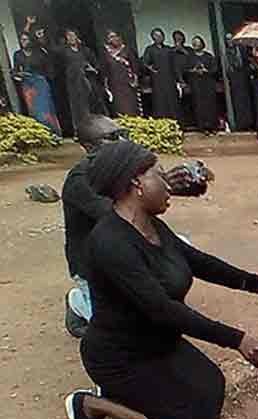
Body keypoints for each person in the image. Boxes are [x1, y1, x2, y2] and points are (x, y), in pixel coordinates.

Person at [64, 140, 258, 419]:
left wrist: (257, 284)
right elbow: (163, 309)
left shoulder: (152, 226)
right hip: (120, 355)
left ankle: (124, 393)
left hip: (159, 343)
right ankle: (91, 405)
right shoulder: (110, 243)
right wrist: (237, 339)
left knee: (213, 385)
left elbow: (198, 262)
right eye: (160, 176)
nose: (169, 185)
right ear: (136, 184)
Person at [61, 115, 208, 337]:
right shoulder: (80, 180)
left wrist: (184, 180)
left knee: (180, 247)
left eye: (124, 134)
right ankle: (78, 302)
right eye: (112, 137)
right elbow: (119, 214)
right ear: (89, 147)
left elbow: (144, 197)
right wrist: (160, 185)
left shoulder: (123, 169)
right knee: (126, 332)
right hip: (95, 265)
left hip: (125, 249)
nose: (122, 141)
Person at [13, 27, 62, 135]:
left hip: (40, 83)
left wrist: (44, 77)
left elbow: (49, 68)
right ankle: (41, 135)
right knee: (34, 111)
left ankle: (53, 134)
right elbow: (15, 71)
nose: (23, 42)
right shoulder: (18, 54)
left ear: (30, 40)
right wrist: (19, 75)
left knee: (46, 110)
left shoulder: (39, 53)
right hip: (27, 86)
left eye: (25, 39)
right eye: (21, 40)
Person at [100, 31, 141, 117]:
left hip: (128, 83)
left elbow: (135, 66)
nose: (114, 39)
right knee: (119, 108)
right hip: (115, 86)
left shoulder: (127, 50)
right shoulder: (106, 54)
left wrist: (135, 80)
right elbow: (104, 71)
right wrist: (106, 87)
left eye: (115, 36)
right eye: (111, 37)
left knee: (131, 107)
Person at [143, 28, 180, 119]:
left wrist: (179, 80)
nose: (159, 37)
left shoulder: (168, 49)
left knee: (172, 101)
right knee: (160, 102)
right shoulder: (150, 49)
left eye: (161, 35)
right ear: (152, 38)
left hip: (170, 79)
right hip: (157, 80)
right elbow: (145, 63)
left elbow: (175, 65)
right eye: (156, 35)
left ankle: (175, 121)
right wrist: (151, 69)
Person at [185, 36, 219, 134]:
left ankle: (213, 126)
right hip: (196, 84)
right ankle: (202, 127)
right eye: (194, 43)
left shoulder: (208, 56)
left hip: (208, 83)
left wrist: (206, 70)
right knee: (199, 105)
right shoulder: (190, 57)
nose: (195, 44)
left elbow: (215, 69)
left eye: (197, 42)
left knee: (211, 105)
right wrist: (194, 70)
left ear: (202, 44)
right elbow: (186, 70)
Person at [225, 33, 256, 131]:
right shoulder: (225, 53)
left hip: (244, 78)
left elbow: (248, 62)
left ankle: (250, 124)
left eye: (231, 39)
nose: (230, 41)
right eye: (227, 39)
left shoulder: (241, 50)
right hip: (233, 80)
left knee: (247, 102)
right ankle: (240, 125)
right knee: (237, 103)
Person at [171, 30, 192, 125]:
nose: (178, 39)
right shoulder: (171, 51)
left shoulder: (189, 49)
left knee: (190, 101)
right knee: (178, 103)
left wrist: (183, 50)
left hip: (189, 79)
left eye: (180, 37)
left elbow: (193, 59)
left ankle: (190, 121)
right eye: (176, 38)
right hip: (175, 80)